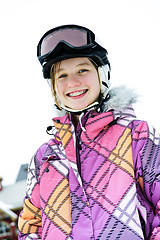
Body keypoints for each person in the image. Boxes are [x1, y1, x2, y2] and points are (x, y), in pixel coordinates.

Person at [18, 24, 160, 240]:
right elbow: (30, 225)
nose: (72, 82)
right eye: (62, 76)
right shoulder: (44, 158)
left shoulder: (137, 136)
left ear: (102, 74)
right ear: (54, 88)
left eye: (82, 70)